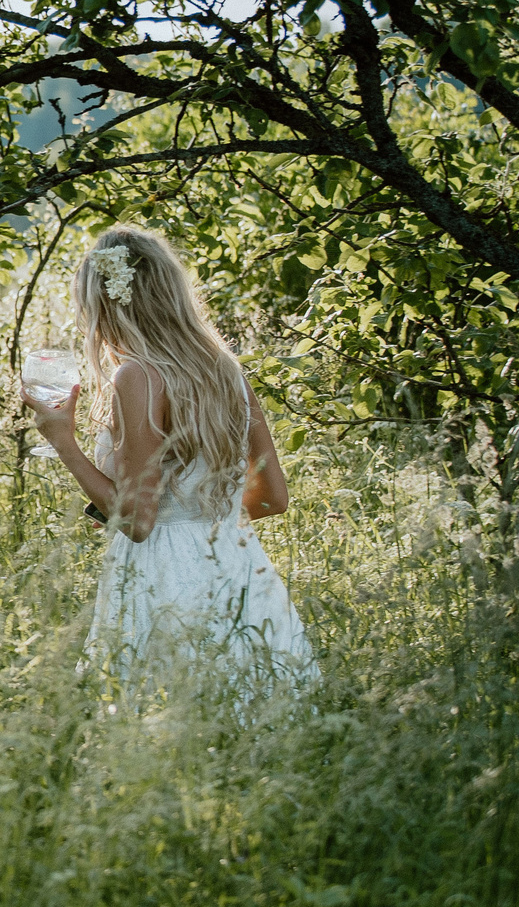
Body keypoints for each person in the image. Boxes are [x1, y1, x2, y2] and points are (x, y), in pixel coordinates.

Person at [25, 225, 312, 686]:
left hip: (163, 570)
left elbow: (138, 523)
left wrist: (63, 441)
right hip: (239, 565)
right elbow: (274, 497)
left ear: (105, 303)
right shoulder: (226, 370)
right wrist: (199, 519)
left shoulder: (136, 377)